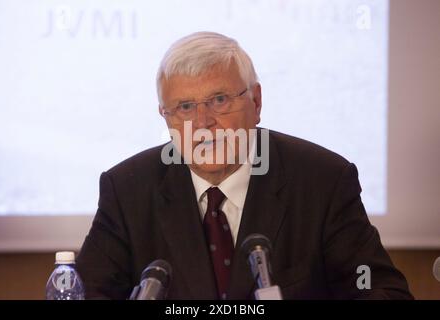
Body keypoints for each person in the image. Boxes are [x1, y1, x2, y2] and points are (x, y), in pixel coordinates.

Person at [76, 31, 412, 300]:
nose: (204, 122)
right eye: (185, 107)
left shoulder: (322, 181)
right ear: (166, 117)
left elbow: (380, 290)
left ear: (257, 101)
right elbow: (87, 293)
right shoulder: (128, 189)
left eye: (220, 100)